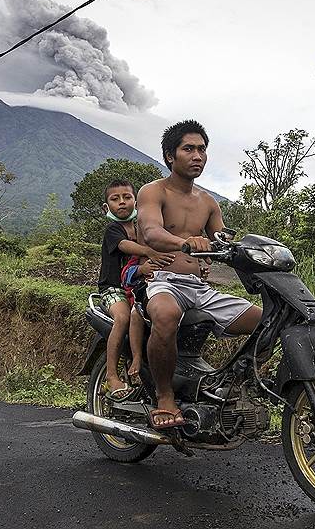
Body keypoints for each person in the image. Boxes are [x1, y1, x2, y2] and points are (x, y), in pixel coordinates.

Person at [136, 120, 263, 429]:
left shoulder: (208, 201)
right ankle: (164, 396)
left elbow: (222, 242)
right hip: (163, 282)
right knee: (165, 315)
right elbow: (151, 231)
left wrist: (253, 255)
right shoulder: (153, 191)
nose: (197, 156)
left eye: (202, 150)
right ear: (170, 156)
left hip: (199, 288)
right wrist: (185, 243)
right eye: (188, 149)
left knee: (267, 320)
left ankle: (231, 386)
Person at [97, 180, 175, 399]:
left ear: (136, 201)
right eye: (115, 199)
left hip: (137, 287)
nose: (122, 202)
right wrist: (149, 251)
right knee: (122, 318)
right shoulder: (114, 229)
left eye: (127, 197)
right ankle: (111, 375)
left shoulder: (142, 226)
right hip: (114, 289)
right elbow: (124, 246)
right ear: (106, 207)